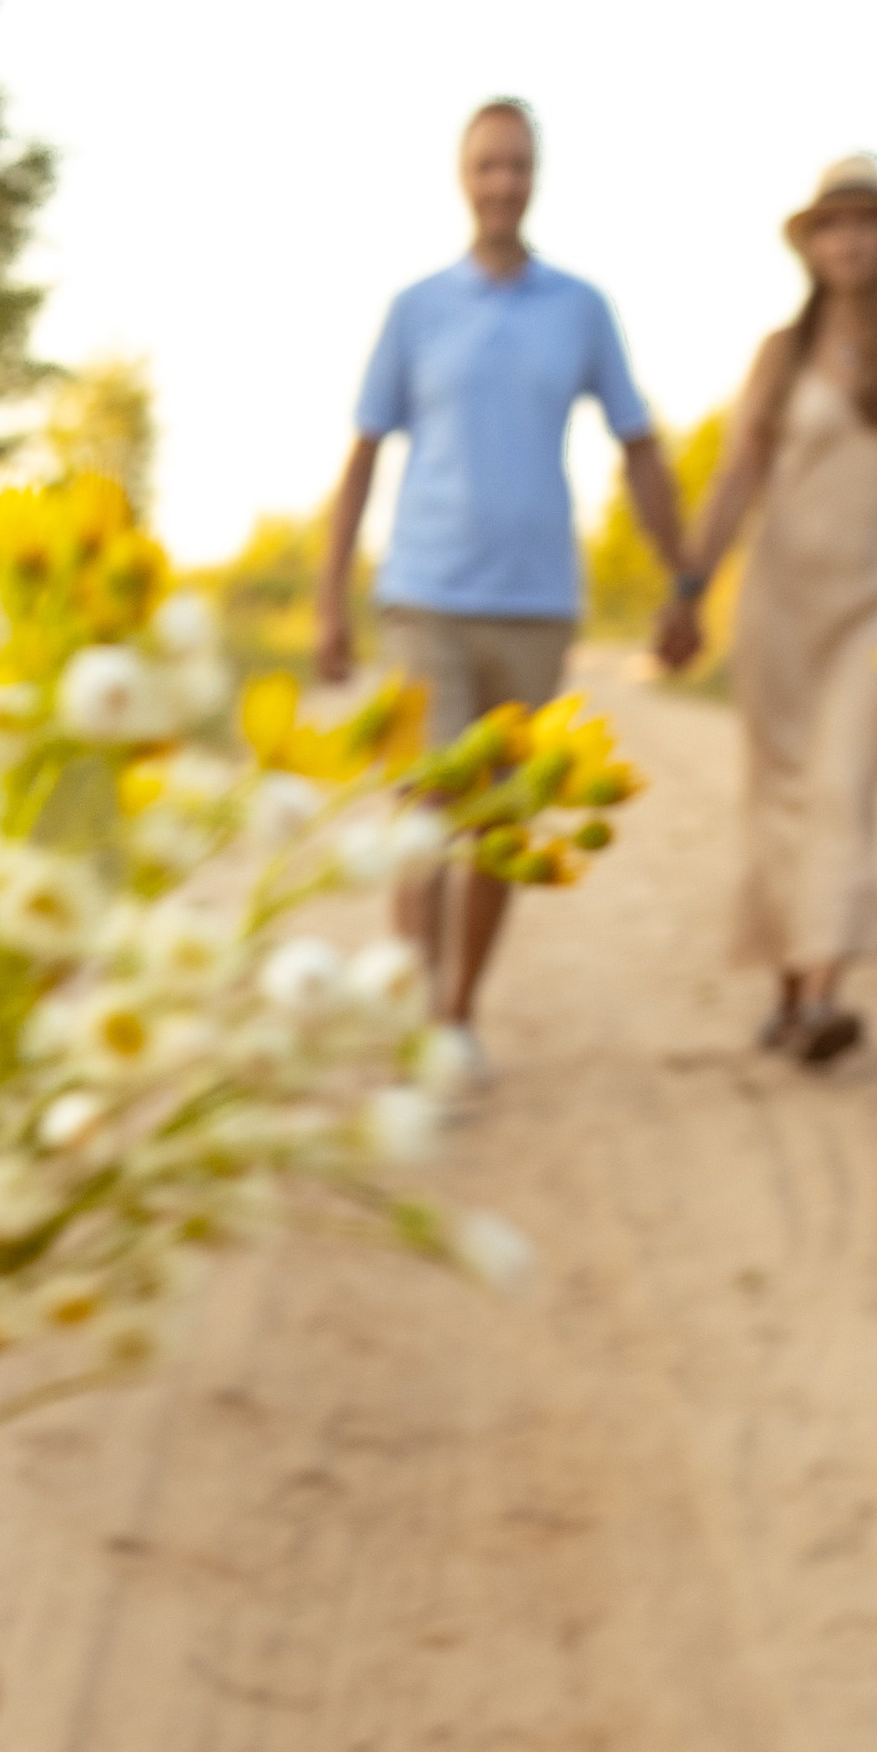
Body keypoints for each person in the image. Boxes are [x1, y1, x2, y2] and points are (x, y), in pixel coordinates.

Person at [315, 97, 693, 1090]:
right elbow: (359, 459)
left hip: (535, 605)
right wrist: (326, 601)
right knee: (423, 811)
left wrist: (683, 577)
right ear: (461, 175)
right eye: (486, 165)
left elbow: (639, 445)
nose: (501, 183)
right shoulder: (415, 310)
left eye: (516, 165)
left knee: (499, 821)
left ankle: (456, 1012)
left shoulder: (581, 309)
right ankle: (413, 1019)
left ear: (536, 176)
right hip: (425, 593)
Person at [662, 152, 877, 1067]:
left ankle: (819, 1000)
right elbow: (735, 479)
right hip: (780, 606)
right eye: (834, 225)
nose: (851, 240)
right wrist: (689, 587)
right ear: (811, 247)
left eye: (867, 223)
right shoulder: (782, 353)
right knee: (780, 797)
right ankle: (791, 979)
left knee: (843, 790)